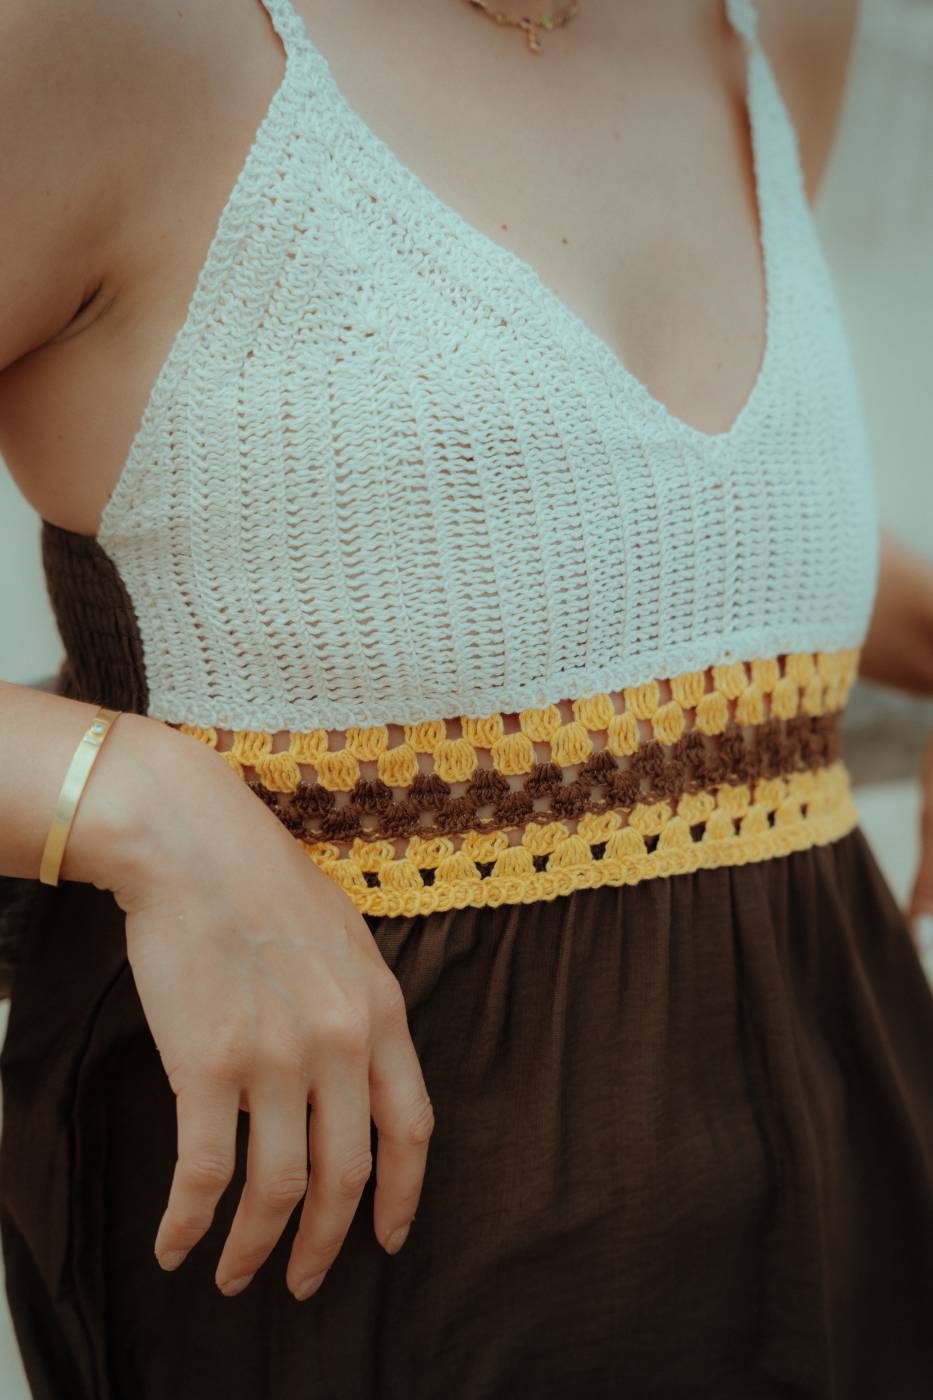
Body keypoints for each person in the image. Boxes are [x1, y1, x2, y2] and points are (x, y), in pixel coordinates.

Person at [0, 1, 931, 1396]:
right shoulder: (104, 36)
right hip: (364, 1252)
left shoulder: (778, 21)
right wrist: (134, 804)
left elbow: (615, 509)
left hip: (848, 1195)